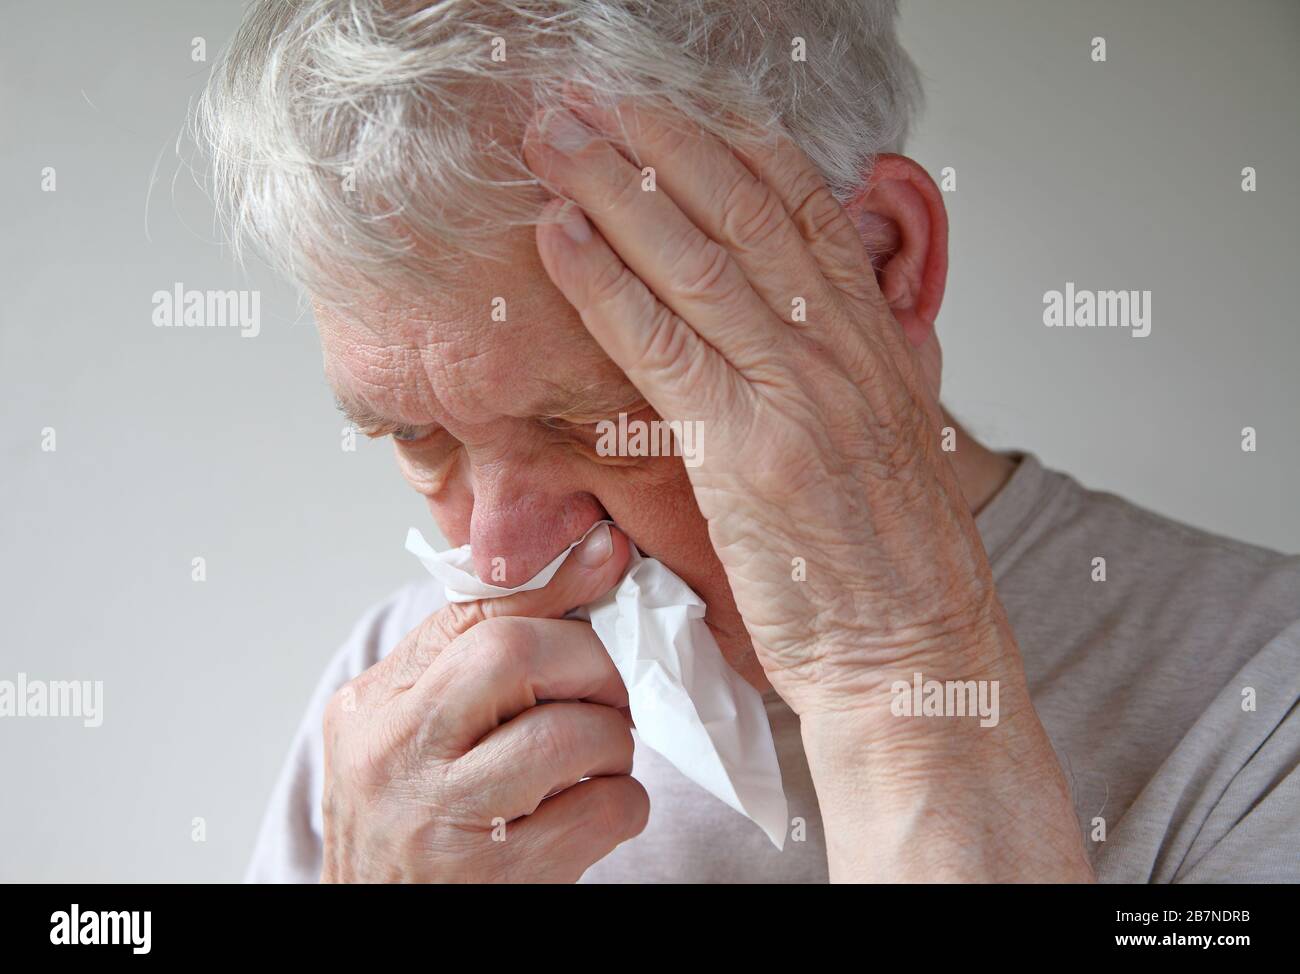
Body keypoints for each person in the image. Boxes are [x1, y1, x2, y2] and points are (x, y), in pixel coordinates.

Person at [195, 0, 1300, 883]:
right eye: (416, 435)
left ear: (877, 266)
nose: (496, 564)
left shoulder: (1261, 713)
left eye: (596, 425)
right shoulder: (398, 712)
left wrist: (899, 682)